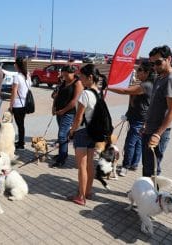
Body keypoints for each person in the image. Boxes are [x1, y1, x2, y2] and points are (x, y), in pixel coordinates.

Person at [69, 64, 107, 206]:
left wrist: (72, 131)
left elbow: (78, 118)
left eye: (82, 77)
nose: (80, 80)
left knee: (82, 167)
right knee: (90, 164)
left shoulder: (85, 94)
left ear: (90, 77)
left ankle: (81, 196)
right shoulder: (99, 93)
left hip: (83, 132)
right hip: (94, 132)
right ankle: (88, 192)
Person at [142, 45, 172, 177]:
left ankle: (153, 196)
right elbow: (154, 105)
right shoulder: (160, 77)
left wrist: (158, 134)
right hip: (150, 128)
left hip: (158, 132)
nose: (155, 66)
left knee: (153, 169)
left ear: (169, 59)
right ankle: (145, 194)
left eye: (158, 62)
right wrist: (146, 124)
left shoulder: (171, 79)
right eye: (152, 63)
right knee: (147, 166)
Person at [108, 62, 154, 176]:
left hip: (140, 119)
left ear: (147, 72)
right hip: (135, 117)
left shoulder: (147, 85)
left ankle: (126, 166)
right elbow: (132, 100)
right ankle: (134, 164)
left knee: (130, 143)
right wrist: (127, 114)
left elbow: (125, 91)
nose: (137, 72)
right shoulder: (142, 84)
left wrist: (108, 87)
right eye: (137, 70)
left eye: (140, 70)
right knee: (137, 142)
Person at [52, 65, 83, 167]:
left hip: (68, 113)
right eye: (63, 75)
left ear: (72, 73)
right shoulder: (63, 81)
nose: (64, 77)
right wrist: (54, 107)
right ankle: (61, 154)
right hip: (59, 111)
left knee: (62, 135)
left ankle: (62, 158)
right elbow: (57, 95)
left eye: (66, 75)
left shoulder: (77, 83)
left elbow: (74, 101)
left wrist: (63, 110)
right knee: (61, 134)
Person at [8, 57, 31, 150]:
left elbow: (14, 92)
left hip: (18, 104)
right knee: (21, 124)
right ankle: (21, 141)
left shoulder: (17, 77)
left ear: (17, 65)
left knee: (19, 124)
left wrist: (10, 105)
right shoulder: (28, 75)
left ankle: (21, 144)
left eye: (15, 63)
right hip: (25, 103)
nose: (14, 65)